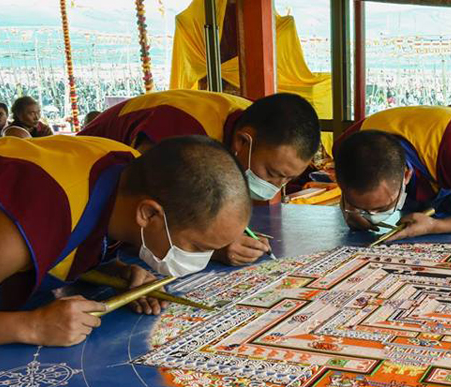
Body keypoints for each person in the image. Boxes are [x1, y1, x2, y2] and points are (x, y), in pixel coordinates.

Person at [0, 135, 250, 347]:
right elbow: (58, 225)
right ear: (148, 214)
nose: (203, 259)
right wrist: (31, 327)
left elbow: (80, 233)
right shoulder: (25, 223)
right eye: (200, 248)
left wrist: (117, 270)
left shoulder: (133, 172)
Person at [79, 89, 320, 265]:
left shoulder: (256, 121)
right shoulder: (185, 134)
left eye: (287, 179)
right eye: (272, 174)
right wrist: (211, 249)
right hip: (82, 206)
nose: (276, 186)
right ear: (242, 141)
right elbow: (153, 217)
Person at [333, 105, 451, 241]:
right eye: (366, 209)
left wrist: (435, 226)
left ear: (406, 176)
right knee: (412, 234)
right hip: (426, 157)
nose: (373, 215)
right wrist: (354, 211)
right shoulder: (347, 149)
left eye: (382, 209)